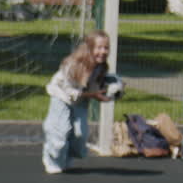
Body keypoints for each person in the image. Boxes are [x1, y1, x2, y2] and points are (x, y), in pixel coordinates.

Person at [41, 30, 124, 174]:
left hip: (81, 98)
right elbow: (69, 92)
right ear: (89, 48)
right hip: (62, 96)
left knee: (80, 136)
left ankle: (64, 157)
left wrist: (109, 92)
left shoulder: (101, 67)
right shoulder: (73, 65)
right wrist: (93, 94)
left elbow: (96, 88)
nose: (103, 52)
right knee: (60, 132)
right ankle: (50, 156)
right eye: (99, 48)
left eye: (106, 48)